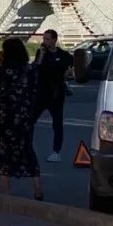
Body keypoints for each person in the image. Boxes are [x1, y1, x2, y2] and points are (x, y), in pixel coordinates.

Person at [0, 38, 43, 200]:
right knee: (26, 150)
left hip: (1, 117)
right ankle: (37, 188)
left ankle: (5, 190)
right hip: (22, 117)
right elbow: (36, 92)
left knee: (3, 151)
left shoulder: (1, 70)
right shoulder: (30, 70)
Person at [32, 29, 72, 162]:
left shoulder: (63, 55)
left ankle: (56, 151)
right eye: (44, 39)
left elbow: (73, 66)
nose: (45, 42)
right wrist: (42, 56)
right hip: (41, 92)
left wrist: (70, 72)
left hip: (56, 94)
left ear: (54, 40)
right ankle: (25, 146)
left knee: (57, 123)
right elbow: (35, 68)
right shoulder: (41, 53)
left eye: (48, 39)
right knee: (30, 120)